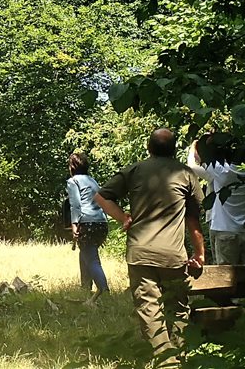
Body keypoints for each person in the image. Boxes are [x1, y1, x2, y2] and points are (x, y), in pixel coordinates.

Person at [95, 128, 205, 369]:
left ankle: (166, 362)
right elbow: (193, 219)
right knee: (177, 308)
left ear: (149, 147)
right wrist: (200, 253)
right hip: (173, 256)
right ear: (174, 149)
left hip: (140, 252)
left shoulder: (135, 170)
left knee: (149, 309)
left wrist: (122, 217)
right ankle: (180, 358)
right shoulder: (186, 174)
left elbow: (102, 197)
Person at [187, 133, 245, 265]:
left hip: (225, 231)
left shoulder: (221, 173)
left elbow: (195, 162)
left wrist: (194, 146)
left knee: (226, 276)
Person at [65, 152, 110, 297]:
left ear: (72, 167)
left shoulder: (73, 182)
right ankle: (85, 287)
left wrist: (74, 225)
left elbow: (76, 205)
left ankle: (104, 291)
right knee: (85, 252)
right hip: (101, 222)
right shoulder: (92, 181)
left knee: (92, 259)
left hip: (87, 222)